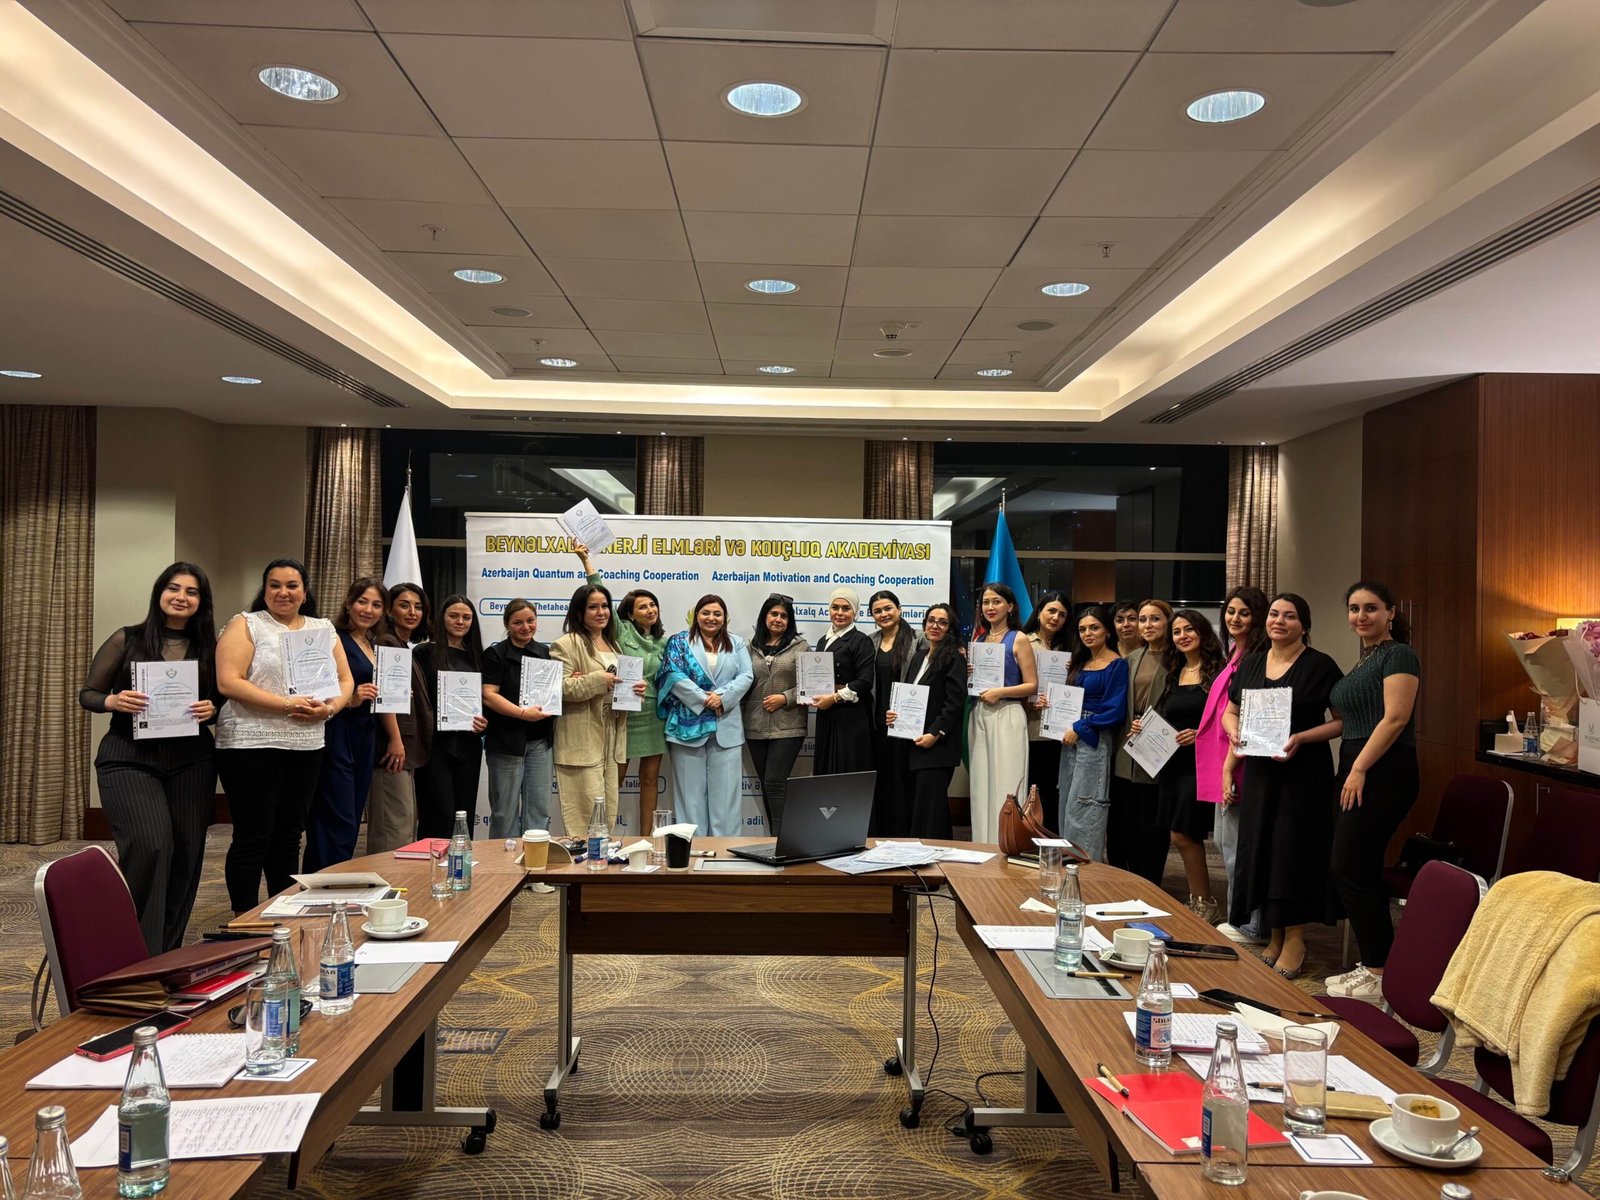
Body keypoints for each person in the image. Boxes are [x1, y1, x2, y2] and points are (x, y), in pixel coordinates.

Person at [78, 562, 219, 952]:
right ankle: (135, 950)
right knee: (152, 845)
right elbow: (88, 694)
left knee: (187, 853)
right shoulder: (127, 639)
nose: (181, 597)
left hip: (191, 761)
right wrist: (112, 701)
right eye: (174, 588)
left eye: (191, 592)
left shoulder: (211, 648)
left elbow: (223, 700)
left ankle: (165, 954)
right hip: (129, 757)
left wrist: (213, 709)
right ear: (160, 593)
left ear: (201, 602)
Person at [215, 558, 352, 914]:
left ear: (305, 593)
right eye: (274, 585)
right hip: (250, 743)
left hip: (306, 744)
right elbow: (229, 682)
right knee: (253, 835)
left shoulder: (322, 629)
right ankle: (244, 919)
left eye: (292, 585)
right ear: (264, 591)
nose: (283, 592)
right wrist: (287, 705)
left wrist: (330, 709)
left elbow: (345, 680)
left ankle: (283, 913)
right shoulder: (246, 624)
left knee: (289, 836)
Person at [1224, 593, 1344, 980]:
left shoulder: (1320, 665)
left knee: (1292, 851)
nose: (1279, 621)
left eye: (1290, 616)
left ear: (1304, 625)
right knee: (1263, 847)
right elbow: (1231, 712)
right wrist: (1234, 734)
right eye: (1274, 614)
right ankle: (1274, 934)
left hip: (1303, 773)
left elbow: (1342, 722)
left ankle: (1295, 938)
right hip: (1261, 772)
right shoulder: (1252, 662)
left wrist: (1303, 738)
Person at [1325, 580, 1420, 1001]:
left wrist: (1360, 767)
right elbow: (1350, 721)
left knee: (1350, 865)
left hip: (1383, 769)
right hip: (1357, 765)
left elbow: (1396, 718)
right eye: (1354, 608)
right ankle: (1376, 965)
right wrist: (1302, 738)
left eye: (1371, 608)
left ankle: (1380, 971)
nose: (1361, 616)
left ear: (1391, 613)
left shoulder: (1398, 654)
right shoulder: (1367, 658)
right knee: (1354, 866)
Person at [574, 542, 669, 836]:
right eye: (642, 606)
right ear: (629, 614)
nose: (650, 610)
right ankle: (605, 836)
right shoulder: (621, 630)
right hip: (625, 714)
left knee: (650, 779)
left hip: (653, 715)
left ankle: (647, 837)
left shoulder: (666, 642)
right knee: (614, 779)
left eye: (652, 605)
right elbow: (600, 590)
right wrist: (586, 561)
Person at [550, 583, 646, 837]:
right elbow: (558, 688)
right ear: (579, 612)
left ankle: (601, 858)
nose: (601, 612)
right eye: (593, 607)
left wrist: (634, 691)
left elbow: (615, 687)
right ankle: (585, 861)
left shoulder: (614, 645)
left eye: (604, 606)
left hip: (612, 737)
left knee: (608, 809)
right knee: (585, 814)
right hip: (581, 737)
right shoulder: (566, 644)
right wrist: (597, 680)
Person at [303, 578, 385, 872]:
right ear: (348, 603)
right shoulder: (332, 639)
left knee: (351, 816)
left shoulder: (371, 644)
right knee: (335, 817)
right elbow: (315, 687)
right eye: (362, 602)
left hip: (365, 734)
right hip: (338, 732)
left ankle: (336, 879)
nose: (368, 610)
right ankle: (321, 882)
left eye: (376, 605)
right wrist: (351, 699)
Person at [658, 594, 753, 836]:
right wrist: (704, 699)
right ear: (696, 615)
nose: (711, 618)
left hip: (726, 727)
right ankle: (693, 850)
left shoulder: (736, 643)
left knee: (727, 800)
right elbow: (672, 674)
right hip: (686, 728)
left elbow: (746, 676)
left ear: (724, 618)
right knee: (689, 799)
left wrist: (721, 697)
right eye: (706, 613)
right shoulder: (679, 642)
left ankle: (725, 852)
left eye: (717, 614)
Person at [1205, 586, 1269, 944]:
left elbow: (1249, 718)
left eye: (1244, 612)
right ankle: (1239, 918)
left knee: (1239, 847)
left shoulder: (1257, 658)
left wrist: (1230, 767)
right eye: (1230, 611)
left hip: (1241, 762)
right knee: (1226, 844)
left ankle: (1250, 924)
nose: (1235, 618)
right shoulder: (1235, 653)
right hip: (1225, 761)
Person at [1155, 609, 1226, 918]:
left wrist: (1201, 734)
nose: (1182, 636)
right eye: (1176, 631)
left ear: (1202, 632)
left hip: (1201, 763)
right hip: (1173, 764)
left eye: (1188, 629)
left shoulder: (1218, 672)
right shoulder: (1174, 672)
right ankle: (1198, 900)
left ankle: (1205, 902)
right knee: (1181, 835)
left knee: (1185, 834)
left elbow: (1227, 718)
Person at [967, 582, 1038, 845]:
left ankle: (1007, 844)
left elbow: (1032, 685)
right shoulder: (979, 640)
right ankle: (982, 844)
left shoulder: (1019, 638)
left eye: (996, 601)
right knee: (981, 783)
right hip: (980, 714)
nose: (990, 607)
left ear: (1010, 606)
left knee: (1007, 782)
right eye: (985, 602)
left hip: (1008, 714)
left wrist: (1000, 692)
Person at [1056, 605, 1129, 861]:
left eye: (1094, 628)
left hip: (1094, 737)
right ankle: (1067, 863)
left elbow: (1115, 712)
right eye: (1082, 629)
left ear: (1107, 630)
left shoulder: (1117, 665)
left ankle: (1086, 867)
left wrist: (1080, 727)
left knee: (1086, 804)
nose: (1087, 633)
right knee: (1066, 799)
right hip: (1070, 736)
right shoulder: (1080, 662)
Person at [887, 603, 966, 838]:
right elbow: (911, 695)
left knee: (932, 809)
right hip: (914, 743)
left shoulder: (954, 657)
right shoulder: (919, 656)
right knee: (921, 806)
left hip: (937, 746)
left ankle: (937, 854)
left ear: (950, 628)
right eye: (931, 620)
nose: (935, 626)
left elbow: (954, 702)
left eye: (942, 622)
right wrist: (895, 715)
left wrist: (936, 733)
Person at [414, 595, 488, 839]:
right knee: (438, 812)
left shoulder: (478, 656)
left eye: (466, 617)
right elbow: (417, 700)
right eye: (453, 616)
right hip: (435, 746)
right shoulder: (424, 652)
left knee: (463, 813)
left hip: (468, 744)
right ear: (441, 618)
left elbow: (487, 699)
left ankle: (462, 860)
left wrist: (484, 722)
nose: (460, 621)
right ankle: (431, 862)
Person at [1110, 598, 1174, 884]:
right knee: (1126, 821)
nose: (1147, 625)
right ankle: (1126, 880)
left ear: (1168, 622)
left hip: (1161, 746)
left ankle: (1150, 882)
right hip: (1128, 744)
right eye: (1143, 619)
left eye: (1155, 619)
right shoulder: (1130, 659)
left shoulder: (1178, 659)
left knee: (1152, 824)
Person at [481, 599, 555, 838]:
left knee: (539, 810)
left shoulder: (545, 653)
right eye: (518, 622)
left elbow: (551, 692)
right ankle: (504, 861)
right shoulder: (495, 654)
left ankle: (536, 860)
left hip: (540, 742)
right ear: (507, 624)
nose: (525, 627)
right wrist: (523, 713)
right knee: (504, 812)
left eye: (530, 621)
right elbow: (489, 695)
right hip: (506, 742)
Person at [368, 582, 433, 854]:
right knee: (393, 826)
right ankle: (385, 879)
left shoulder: (402, 645)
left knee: (403, 822)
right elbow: (386, 698)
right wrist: (395, 740)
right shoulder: (387, 642)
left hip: (405, 748)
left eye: (418, 607)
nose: (412, 612)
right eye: (404, 605)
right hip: (392, 750)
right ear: (389, 610)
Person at [742, 594, 807, 837]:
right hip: (755, 726)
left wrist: (785, 697)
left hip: (789, 725)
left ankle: (782, 841)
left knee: (775, 782)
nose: (778, 619)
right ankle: (774, 839)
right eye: (774, 614)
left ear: (790, 621)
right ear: (765, 617)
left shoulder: (801, 646)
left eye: (784, 616)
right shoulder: (750, 647)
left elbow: (811, 685)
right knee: (767, 785)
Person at [867, 589, 925, 836]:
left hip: (907, 725)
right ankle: (881, 835)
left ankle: (904, 835)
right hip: (877, 724)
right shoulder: (870, 641)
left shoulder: (919, 639)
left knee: (903, 783)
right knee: (882, 782)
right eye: (877, 611)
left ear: (899, 609)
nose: (883, 614)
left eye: (888, 608)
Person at [810, 587, 875, 775]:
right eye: (835, 607)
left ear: (855, 612)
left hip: (850, 716)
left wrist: (835, 697)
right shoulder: (823, 641)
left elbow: (865, 681)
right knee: (826, 768)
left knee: (846, 768)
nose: (839, 613)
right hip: (826, 713)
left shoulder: (860, 640)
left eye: (846, 608)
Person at [1022, 591, 1072, 835]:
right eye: (1051, 611)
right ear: (1039, 612)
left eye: (1062, 614)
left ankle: (1051, 844)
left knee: (1055, 791)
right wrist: (1030, 702)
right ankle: (1028, 840)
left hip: (1061, 732)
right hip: (1031, 727)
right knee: (1033, 790)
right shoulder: (1024, 641)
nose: (1056, 618)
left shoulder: (1071, 647)